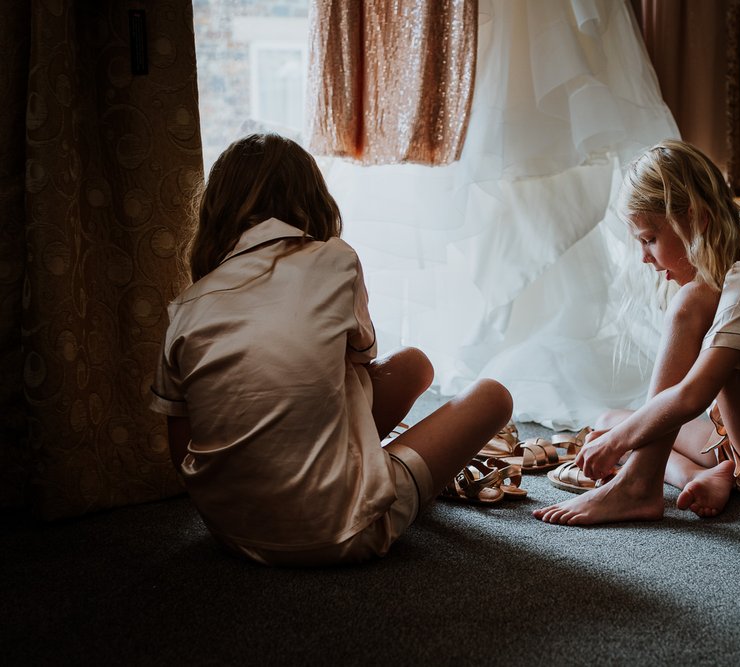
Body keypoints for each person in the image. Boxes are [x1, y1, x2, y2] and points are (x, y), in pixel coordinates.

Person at [150, 133, 513, 565]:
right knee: (490, 394)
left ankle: (329, 465)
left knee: (408, 365)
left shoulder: (188, 305)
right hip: (344, 529)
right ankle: (382, 475)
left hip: (230, 532)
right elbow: (362, 354)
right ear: (314, 199)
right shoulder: (335, 258)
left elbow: (182, 452)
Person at [534, 139, 740, 526]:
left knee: (688, 312)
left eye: (649, 239)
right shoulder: (731, 265)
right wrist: (617, 434)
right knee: (610, 419)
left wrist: (619, 444)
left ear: (695, 218)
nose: (644, 257)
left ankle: (638, 486)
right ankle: (697, 476)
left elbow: (693, 395)